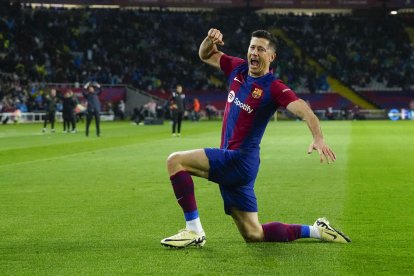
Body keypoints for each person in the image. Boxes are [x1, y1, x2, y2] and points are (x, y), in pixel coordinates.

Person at [161, 29, 350, 248]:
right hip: (241, 164)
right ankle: (317, 230)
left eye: (261, 49)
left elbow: (304, 111)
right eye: (252, 47)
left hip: (238, 160)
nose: (255, 52)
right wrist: (208, 40)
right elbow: (205, 54)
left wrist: (318, 137)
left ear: (271, 57)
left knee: (175, 161)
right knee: (254, 233)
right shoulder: (237, 68)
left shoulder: (274, 87)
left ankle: (194, 231)